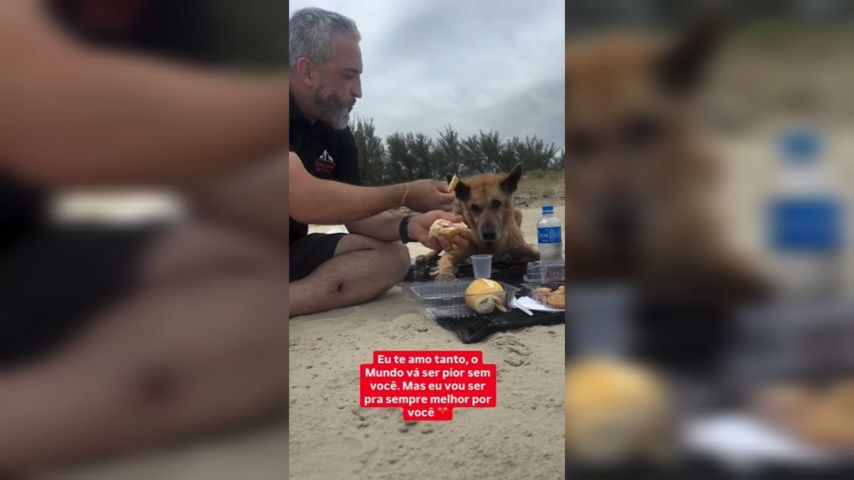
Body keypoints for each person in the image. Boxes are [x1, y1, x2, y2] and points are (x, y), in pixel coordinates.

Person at [0, 0, 289, 471]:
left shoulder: (174, 19)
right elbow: (44, 116)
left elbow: (198, 160)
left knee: (253, 291)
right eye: (347, 77)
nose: (356, 91)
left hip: (32, 249)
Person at [288, 8, 459, 317]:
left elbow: (357, 217)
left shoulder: (335, 129)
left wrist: (410, 225)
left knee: (394, 257)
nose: (358, 91)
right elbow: (302, 199)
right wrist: (405, 193)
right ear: (307, 71)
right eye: (348, 75)